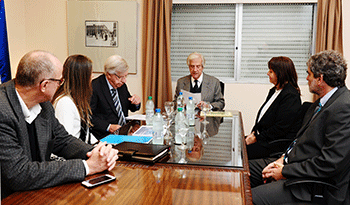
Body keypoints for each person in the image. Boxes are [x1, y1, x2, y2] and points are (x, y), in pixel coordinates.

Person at [0, 50, 119, 199]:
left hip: (36, 192)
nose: (61, 85)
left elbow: (63, 140)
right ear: (44, 85)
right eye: (59, 81)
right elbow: (19, 173)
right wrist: (87, 167)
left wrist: (97, 152)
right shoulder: (2, 111)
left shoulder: (44, 105)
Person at [249, 50, 350, 204]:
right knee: (244, 173)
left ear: (320, 78)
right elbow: (299, 141)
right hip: (295, 166)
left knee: (249, 198)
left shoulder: (343, 107)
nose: (307, 78)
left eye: (309, 74)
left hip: (312, 185)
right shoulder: (321, 102)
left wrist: (284, 171)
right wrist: (281, 160)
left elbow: (329, 163)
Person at [245, 56, 302, 159]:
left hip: (274, 144)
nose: (268, 73)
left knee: (241, 152)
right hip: (264, 138)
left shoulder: (291, 95)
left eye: (271, 71)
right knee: (236, 144)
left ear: (281, 73)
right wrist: (253, 133)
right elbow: (263, 119)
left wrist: (256, 138)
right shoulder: (274, 91)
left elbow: (281, 128)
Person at [90, 55, 141, 139]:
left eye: (125, 76)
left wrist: (136, 103)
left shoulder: (121, 85)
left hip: (125, 132)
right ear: (109, 75)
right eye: (120, 77)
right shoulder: (95, 87)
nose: (124, 80)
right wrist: (109, 127)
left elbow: (130, 106)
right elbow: (89, 118)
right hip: (105, 136)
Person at [52, 54, 97, 144]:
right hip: (74, 155)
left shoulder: (77, 99)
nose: (93, 76)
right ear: (82, 77)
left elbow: (85, 134)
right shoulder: (64, 103)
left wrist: (100, 145)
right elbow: (65, 142)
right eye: (90, 73)